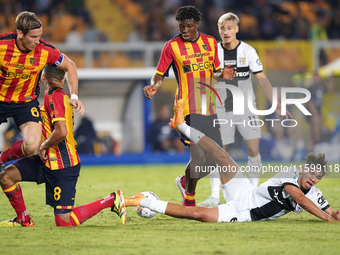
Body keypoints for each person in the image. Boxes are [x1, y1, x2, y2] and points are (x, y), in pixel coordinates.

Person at [124, 99, 340, 223]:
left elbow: (331, 211)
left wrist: (335, 215)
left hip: (244, 211)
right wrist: (329, 220)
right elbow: (301, 201)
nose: (315, 179)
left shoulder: (315, 194)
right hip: (246, 192)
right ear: (303, 169)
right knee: (221, 154)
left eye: (319, 177)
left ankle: (139, 201)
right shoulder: (289, 173)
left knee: (197, 214)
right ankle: (181, 125)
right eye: (312, 173)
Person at [0, 65, 126, 227]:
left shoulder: (54, 97)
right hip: (45, 161)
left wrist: (44, 145)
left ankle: (112, 199)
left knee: (64, 221)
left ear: (43, 78)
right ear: (63, 79)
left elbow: (61, 131)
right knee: (6, 177)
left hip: (63, 164)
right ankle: (23, 219)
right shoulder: (61, 96)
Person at [143, 5, 236, 206]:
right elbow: (159, 74)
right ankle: (189, 200)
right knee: (198, 156)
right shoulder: (171, 47)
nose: (184, 30)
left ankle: (185, 182)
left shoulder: (211, 43)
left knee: (213, 160)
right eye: (181, 26)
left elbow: (215, 71)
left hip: (208, 107)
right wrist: (154, 86)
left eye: (189, 26)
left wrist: (224, 75)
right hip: (186, 109)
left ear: (197, 24)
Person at [199, 12, 293, 207]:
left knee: (253, 150)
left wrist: (275, 103)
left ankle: (252, 194)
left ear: (237, 29)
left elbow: (261, 78)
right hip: (221, 108)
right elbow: (206, 78)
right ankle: (215, 195)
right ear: (219, 30)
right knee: (218, 151)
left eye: (229, 28)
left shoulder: (248, 51)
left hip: (246, 109)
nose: (226, 32)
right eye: (222, 29)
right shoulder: (213, 52)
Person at [0, 11, 84, 168]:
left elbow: (70, 66)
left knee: (32, 145)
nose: (37, 41)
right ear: (19, 33)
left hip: (25, 102)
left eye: (39, 36)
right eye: (33, 37)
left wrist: (74, 96)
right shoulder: (2, 45)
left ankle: (1, 159)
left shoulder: (45, 50)